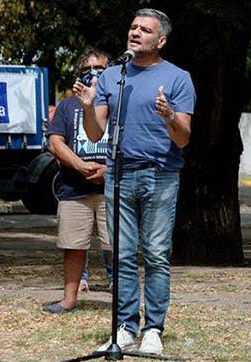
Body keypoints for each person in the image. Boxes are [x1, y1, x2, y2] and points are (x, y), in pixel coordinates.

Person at [73, 8, 195, 355]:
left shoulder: (178, 78)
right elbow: (96, 131)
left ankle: (153, 328)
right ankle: (126, 327)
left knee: (155, 254)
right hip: (119, 173)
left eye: (145, 29)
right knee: (123, 254)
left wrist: (170, 115)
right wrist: (86, 107)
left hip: (160, 174)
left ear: (161, 40)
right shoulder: (113, 77)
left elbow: (183, 138)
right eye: (132, 27)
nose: (135, 32)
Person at [43, 49, 113, 314]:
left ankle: (124, 300)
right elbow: (55, 141)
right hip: (74, 188)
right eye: (88, 67)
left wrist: (109, 169)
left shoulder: (118, 102)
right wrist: (80, 165)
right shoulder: (67, 105)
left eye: (100, 68)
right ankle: (69, 299)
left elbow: (130, 141)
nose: (94, 72)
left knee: (118, 247)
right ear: (80, 73)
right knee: (73, 246)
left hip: (111, 188)